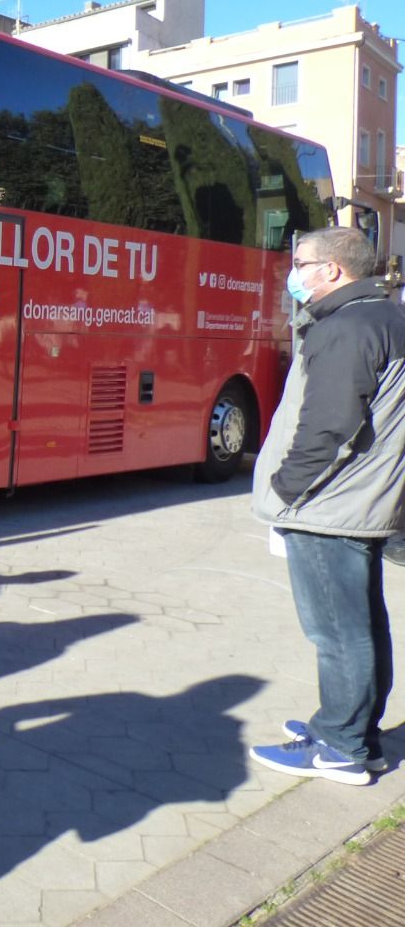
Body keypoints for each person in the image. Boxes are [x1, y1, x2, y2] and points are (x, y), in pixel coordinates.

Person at [249, 226, 405, 785]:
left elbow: (330, 426)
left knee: (336, 632)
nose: (294, 273)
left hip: (327, 504)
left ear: (333, 270)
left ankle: (340, 747)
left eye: (301, 263)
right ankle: (357, 734)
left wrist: (285, 491)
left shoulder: (347, 328)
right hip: (358, 502)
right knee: (362, 623)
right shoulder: (385, 318)